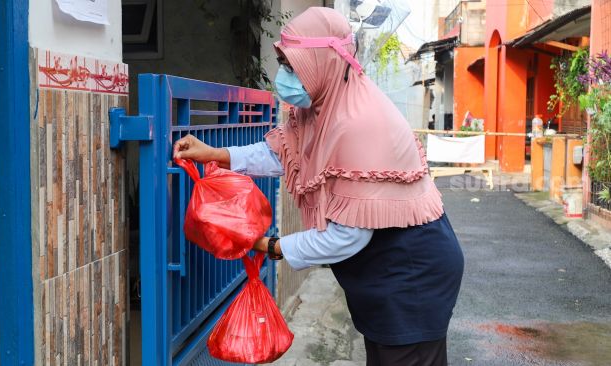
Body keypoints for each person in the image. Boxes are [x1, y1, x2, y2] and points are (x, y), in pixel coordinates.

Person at [172, 7, 464, 366]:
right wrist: (215, 153)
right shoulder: (322, 108)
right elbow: (285, 155)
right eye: (283, 62)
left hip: (410, 275)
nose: (284, 76)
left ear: (323, 61)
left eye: (292, 65)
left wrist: (268, 245)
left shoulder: (359, 124)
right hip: (386, 272)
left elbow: (348, 236)